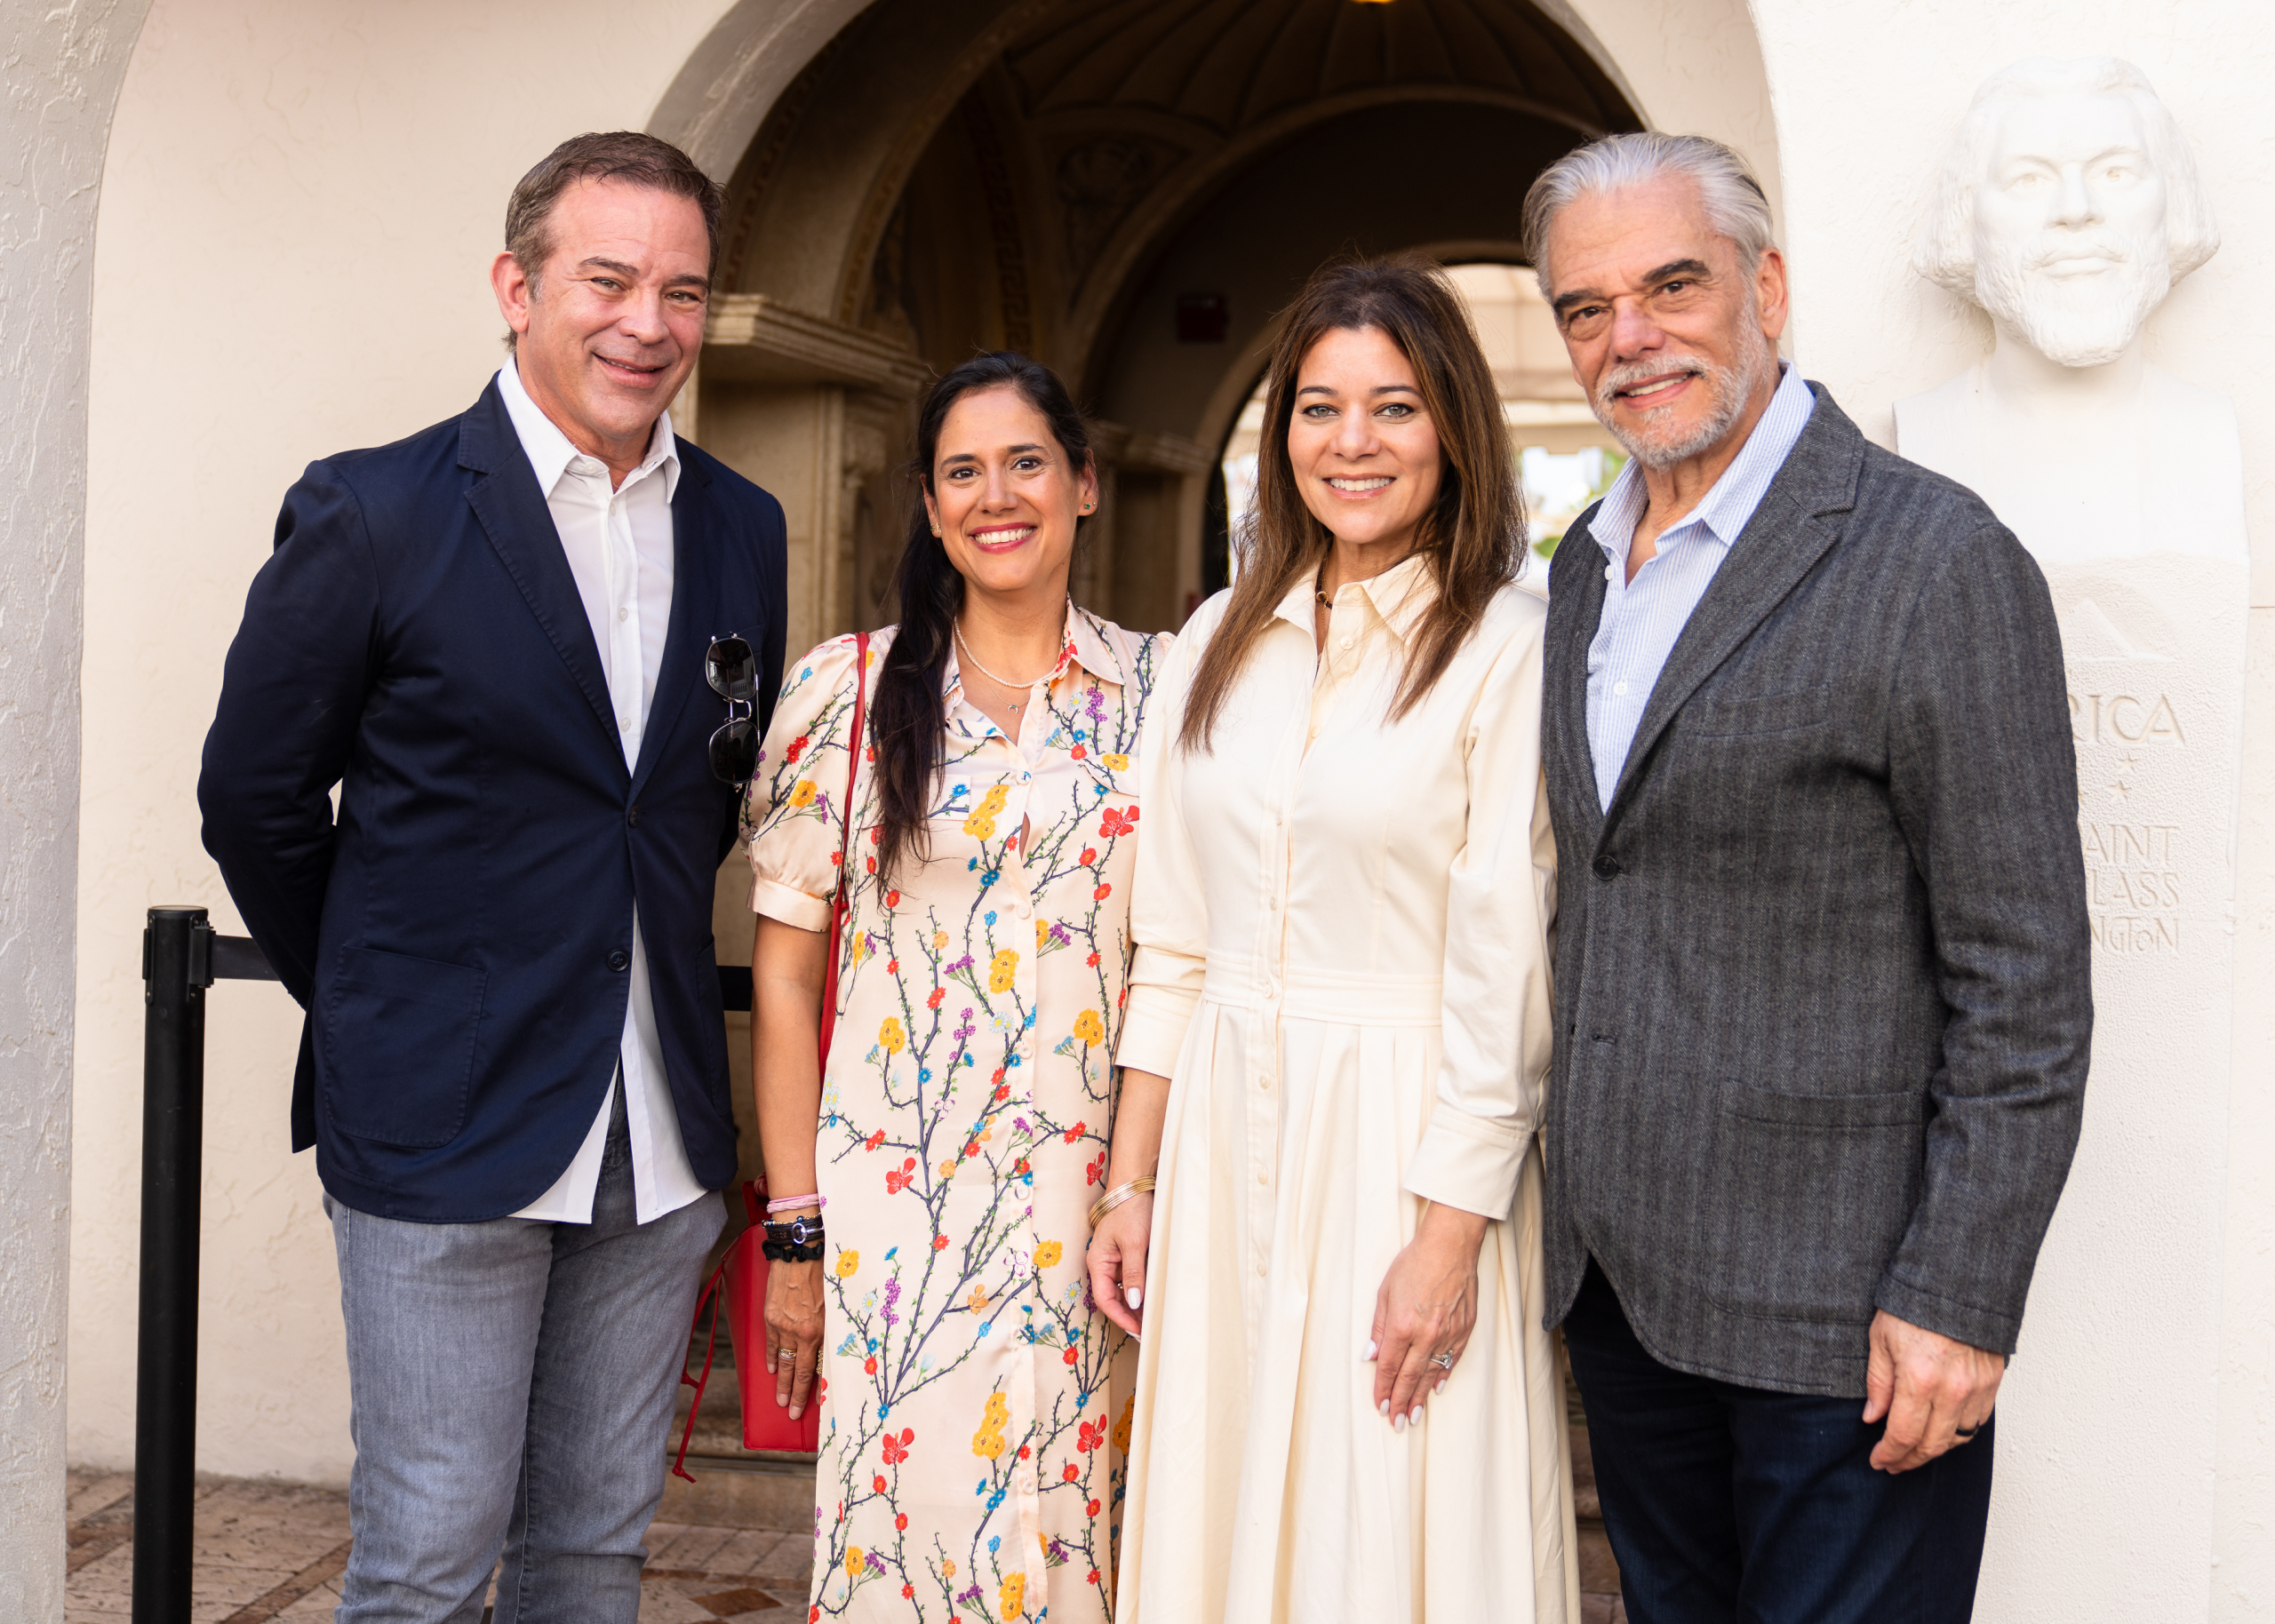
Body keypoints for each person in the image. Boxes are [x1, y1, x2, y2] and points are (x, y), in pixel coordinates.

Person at [198, 131, 786, 1623]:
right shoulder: (375, 511)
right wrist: (391, 997)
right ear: (516, 289)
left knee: (591, 1555)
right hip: (441, 1122)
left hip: (658, 1130)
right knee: (425, 1566)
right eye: (608, 280)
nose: (647, 323)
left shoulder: (742, 525)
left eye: (682, 291)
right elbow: (255, 800)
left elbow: (692, 805)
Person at [1521, 132, 2090, 1622]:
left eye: (1672, 286)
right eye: (1587, 308)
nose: (1630, 336)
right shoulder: (1582, 568)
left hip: (1849, 1322)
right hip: (1626, 1301)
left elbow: (2024, 979)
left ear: (1765, 289)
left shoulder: (1936, 560)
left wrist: (1959, 1296)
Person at [1091, 257, 1575, 1624]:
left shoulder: (1509, 645)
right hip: (1219, 1144)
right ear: (1280, 431)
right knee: (1221, 1498)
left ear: (1454, 431)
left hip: (1403, 1150)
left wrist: (1448, 1240)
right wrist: (1132, 1185)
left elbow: (1508, 971)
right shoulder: (1216, 640)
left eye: (1394, 407)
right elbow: (1173, 945)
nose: (1352, 442)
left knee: (1388, 1510)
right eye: (1318, 407)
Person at [744, 352, 1168, 1623]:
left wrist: (1142, 1186)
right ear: (930, 508)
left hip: (1106, 1219)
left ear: (1084, 483)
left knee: (1094, 1551)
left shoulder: (1161, 696)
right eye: (963, 472)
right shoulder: (850, 692)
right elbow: (784, 980)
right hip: (902, 1227)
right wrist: (795, 1233)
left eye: (1026, 462)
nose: (998, 496)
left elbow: (1187, 963)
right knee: (908, 1557)